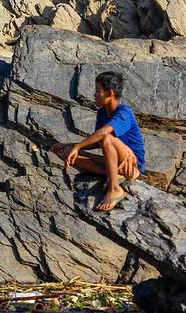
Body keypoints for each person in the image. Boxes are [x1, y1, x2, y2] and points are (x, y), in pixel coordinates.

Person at [51, 71, 145, 212]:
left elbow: (104, 134)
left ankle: (115, 189)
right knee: (67, 153)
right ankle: (113, 174)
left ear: (110, 93)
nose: (94, 95)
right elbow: (96, 142)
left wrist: (78, 146)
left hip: (131, 165)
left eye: (97, 91)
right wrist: (70, 146)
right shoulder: (102, 112)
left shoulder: (124, 112)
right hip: (113, 161)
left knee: (107, 138)